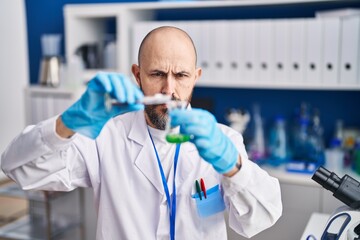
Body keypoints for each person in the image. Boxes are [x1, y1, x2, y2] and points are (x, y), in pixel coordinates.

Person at [1, 26, 282, 239]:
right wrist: (69, 122)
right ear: (137, 75)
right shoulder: (105, 137)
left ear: (195, 77)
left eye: (181, 76)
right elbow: (17, 168)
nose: (168, 90)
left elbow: (259, 219)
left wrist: (233, 166)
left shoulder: (224, 141)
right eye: (157, 74)